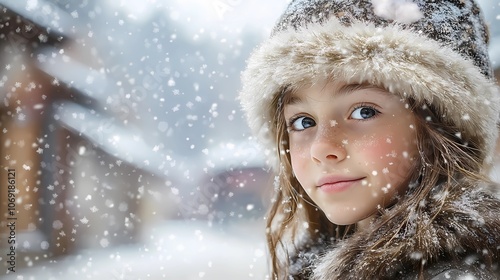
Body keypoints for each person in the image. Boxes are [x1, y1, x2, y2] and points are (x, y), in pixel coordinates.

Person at [239, 0, 500, 279]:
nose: (322, 147)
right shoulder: (312, 265)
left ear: (442, 124)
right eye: (304, 121)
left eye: (364, 112)